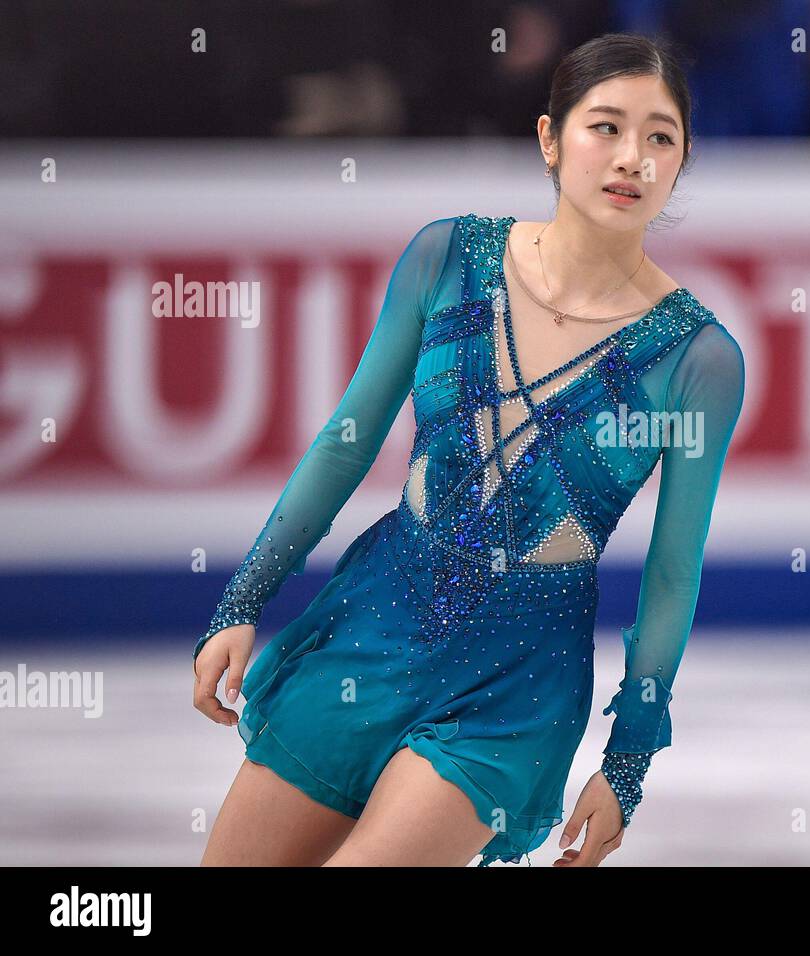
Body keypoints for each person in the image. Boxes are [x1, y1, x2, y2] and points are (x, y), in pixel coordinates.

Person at [192, 32, 745, 867]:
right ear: (550, 138)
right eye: (606, 127)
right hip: (377, 622)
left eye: (659, 137)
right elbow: (345, 446)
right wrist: (243, 601)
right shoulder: (448, 257)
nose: (632, 157)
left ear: (682, 160)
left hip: (516, 683)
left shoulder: (698, 360)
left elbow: (672, 571)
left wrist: (627, 761)